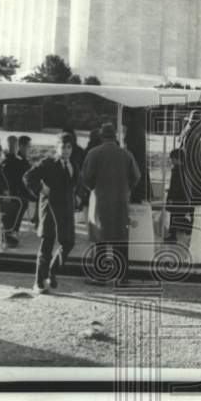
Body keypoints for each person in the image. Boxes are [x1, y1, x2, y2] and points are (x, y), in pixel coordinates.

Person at [81, 122, 141, 285]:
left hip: (100, 201)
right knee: (120, 239)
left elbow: (85, 177)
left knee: (100, 239)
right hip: (120, 201)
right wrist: (126, 188)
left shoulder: (93, 153)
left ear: (101, 137)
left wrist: (94, 188)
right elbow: (136, 176)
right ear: (115, 137)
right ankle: (122, 277)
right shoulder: (126, 154)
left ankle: (100, 276)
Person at [24, 133, 81, 293]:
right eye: (63, 147)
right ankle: (39, 282)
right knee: (47, 245)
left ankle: (52, 271)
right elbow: (28, 176)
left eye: (69, 147)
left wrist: (77, 195)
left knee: (68, 243)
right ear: (57, 147)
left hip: (66, 210)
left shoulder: (74, 165)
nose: (66, 150)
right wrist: (41, 189)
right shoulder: (48, 163)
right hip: (50, 209)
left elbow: (76, 182)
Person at [2, 134, 34, 232]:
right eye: (29, 147)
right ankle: (13, 230)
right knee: (24, 201)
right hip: (12, 195)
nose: (30, 149)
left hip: (9, 193)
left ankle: (13, 229)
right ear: (19, 147)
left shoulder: (5, 161)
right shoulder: (19, 162)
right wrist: (32, 195)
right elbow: (21, 183)